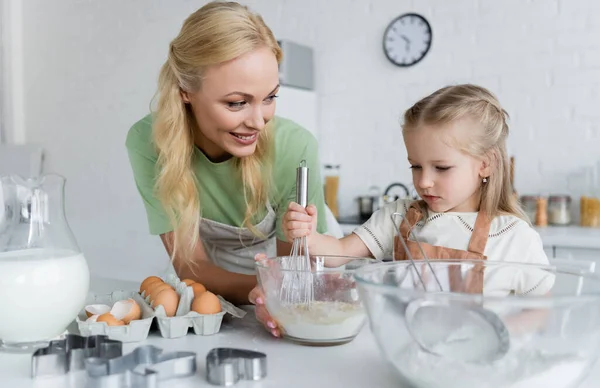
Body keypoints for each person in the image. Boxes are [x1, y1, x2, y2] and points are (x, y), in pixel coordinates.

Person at [125, 1, 328, 335]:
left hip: (291, 277)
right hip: (218, 281)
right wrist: (261, 291)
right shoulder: (148, 142)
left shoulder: (295, 148)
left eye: (270, 97)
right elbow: (191, 264)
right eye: (237, 103)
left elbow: (291, 275)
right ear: (186, 91)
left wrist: (274, 293)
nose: (258, 120)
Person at [281, 84, 555, 301]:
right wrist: (308, 235)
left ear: (485, 164)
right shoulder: (400, 217)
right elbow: (337, 252)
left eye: (441, 168)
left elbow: (541, 310)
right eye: (416, 166)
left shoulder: (514, 238)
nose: (423, 181)